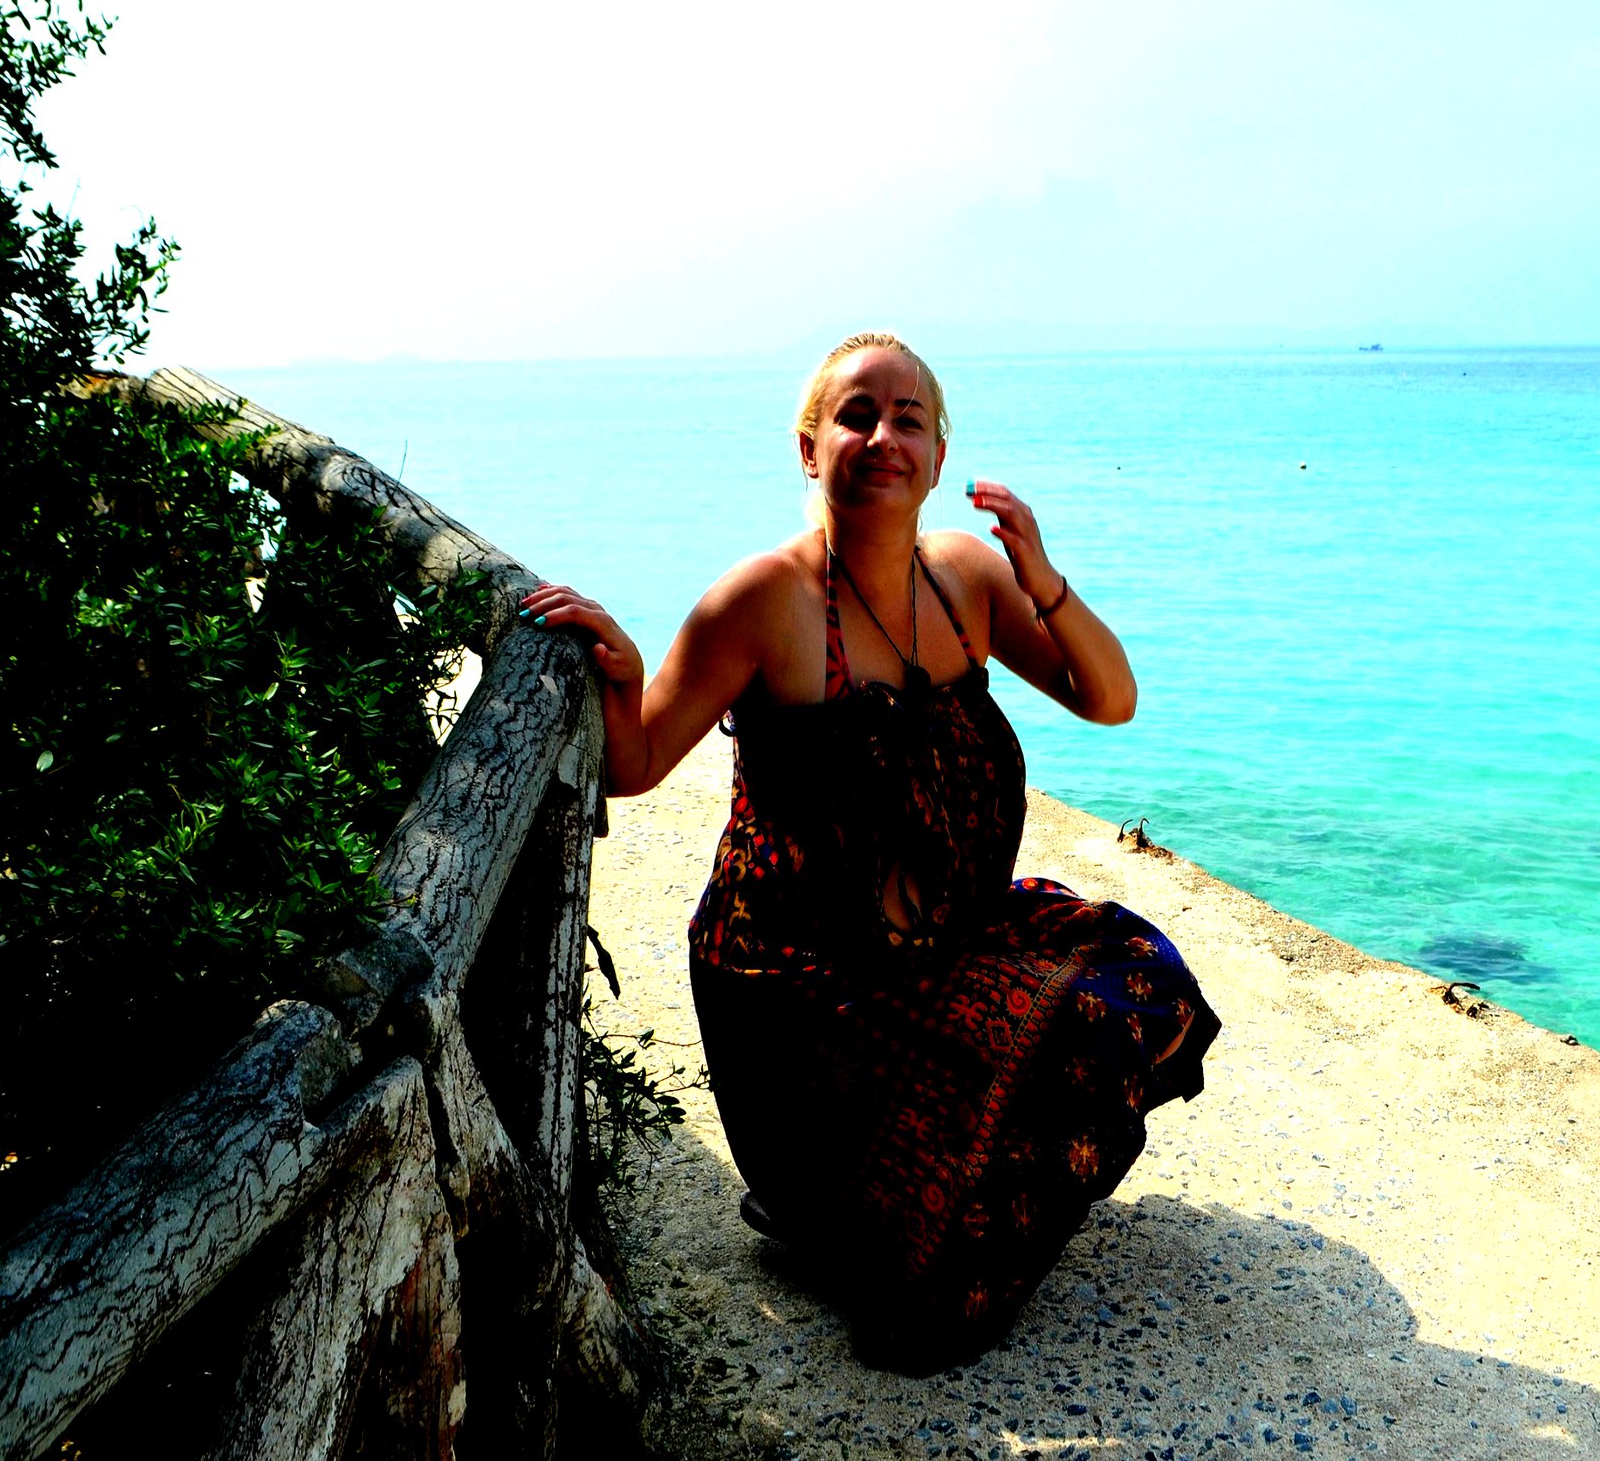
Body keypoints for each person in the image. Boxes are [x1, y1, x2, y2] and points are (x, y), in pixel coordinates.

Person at [521, 331, 1217, 1369]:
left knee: (1138, 979)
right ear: (810, 450)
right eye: (856, 416)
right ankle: (829, 1200)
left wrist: (1042, 577)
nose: (883, 436)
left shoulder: (969, 579)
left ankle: (898, 1189)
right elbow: (637, 762)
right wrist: (621, 668)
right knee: (1002, 1114)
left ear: (937, 458)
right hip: (802, 994)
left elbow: (1109, 699)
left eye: (908, 419)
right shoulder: (761, 600)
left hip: (950, 942)